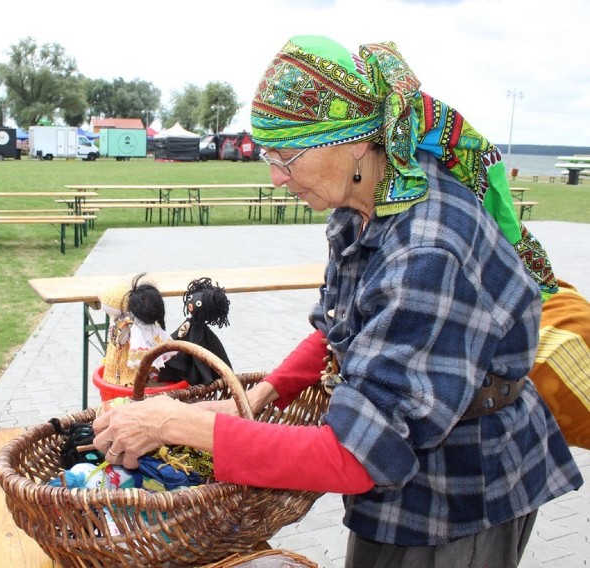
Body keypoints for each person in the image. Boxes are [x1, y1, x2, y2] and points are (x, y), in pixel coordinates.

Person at [92, 36, 583, 567]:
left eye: (287, 156)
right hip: (412, 474)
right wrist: (264, 396)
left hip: (460, 494)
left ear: (352, 143)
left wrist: (173, 424)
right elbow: (348, 325)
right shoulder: (366, 200)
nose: (276, 178)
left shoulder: (427, 250)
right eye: (268, 156)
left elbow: (358, 454)